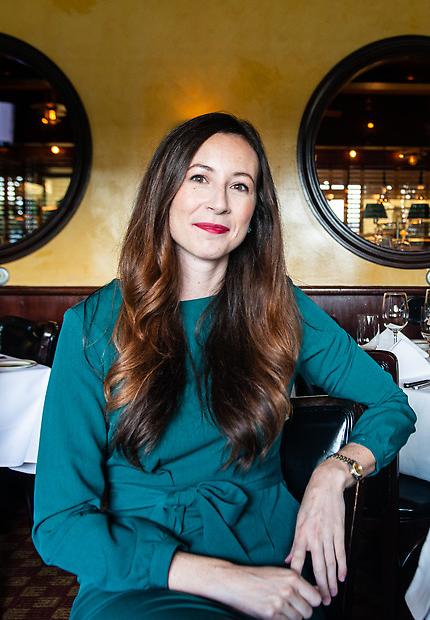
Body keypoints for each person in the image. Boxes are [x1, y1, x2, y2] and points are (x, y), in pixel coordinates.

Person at [33, 112, 415, 620]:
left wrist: (334, 472)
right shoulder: (91, 326)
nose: (219, 202)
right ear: (164, 192)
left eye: (240, 185)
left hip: (271, 560)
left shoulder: (279, 306)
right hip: (140, 574)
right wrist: (224, 581)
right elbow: (59, 525)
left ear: (255, 210)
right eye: (199, 178)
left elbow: (391, 403)